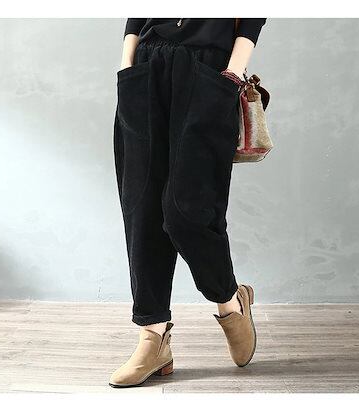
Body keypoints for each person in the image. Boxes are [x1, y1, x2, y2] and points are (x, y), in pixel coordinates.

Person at [109, 17, 266, 388]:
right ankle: (153, 336)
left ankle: (229, 301)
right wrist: (127, 63)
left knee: (188, 211)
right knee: (141, 207)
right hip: (146, 66)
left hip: (208, 70)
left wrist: (233, 72)